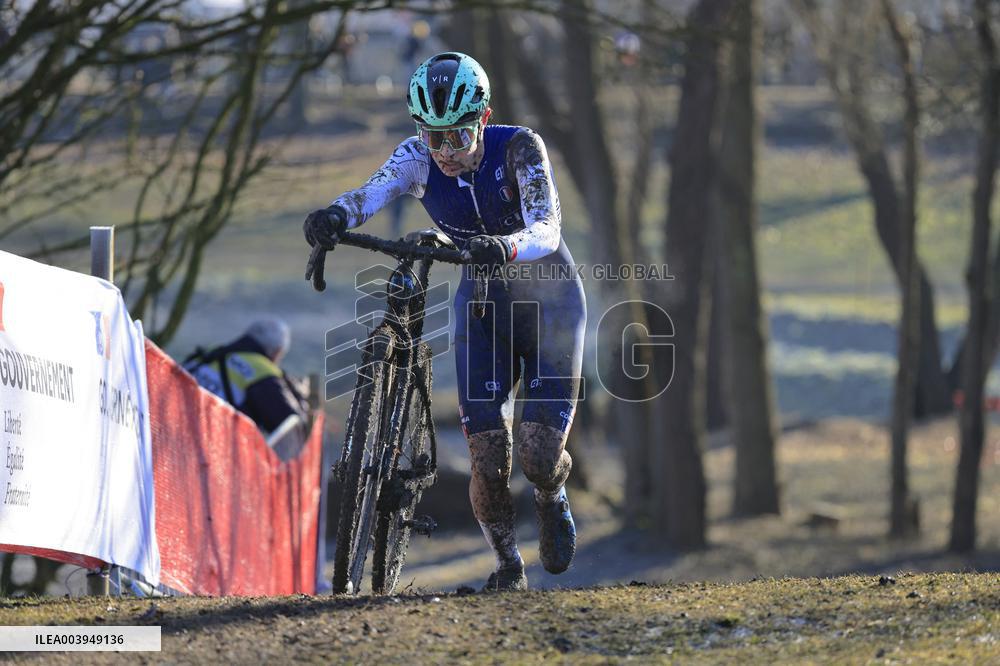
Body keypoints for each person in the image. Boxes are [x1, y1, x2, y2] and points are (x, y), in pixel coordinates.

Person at [304, 52, 586, 592]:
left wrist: (504, 246)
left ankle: (552, 494)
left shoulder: (520, 147)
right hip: (482, 306)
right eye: (434, 138)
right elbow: (374, 192)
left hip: (548, 302)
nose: (445, 152)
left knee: (538, 454)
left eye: (458, 136)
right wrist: (337, 215)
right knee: (488, 455)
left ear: (483, 120)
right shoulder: (417, 156)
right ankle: (508, 565)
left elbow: (547, 228)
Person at [184, 319, 309, 445]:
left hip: (177, 428)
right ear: (277, 351)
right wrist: (301, 398)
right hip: (211, 445)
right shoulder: (262, 371)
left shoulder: (210, 353)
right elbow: (291, 427)